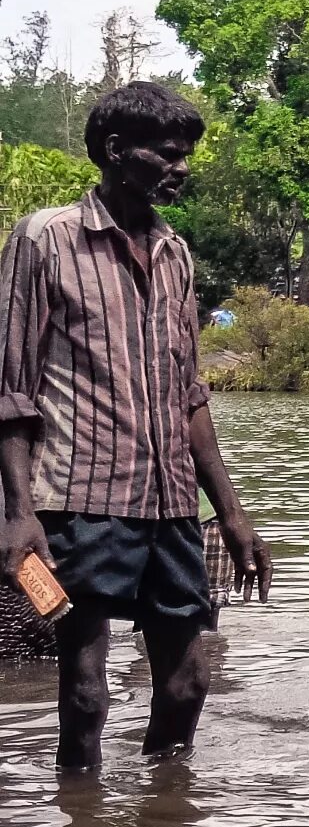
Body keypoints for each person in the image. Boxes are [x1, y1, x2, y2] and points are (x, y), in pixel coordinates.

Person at [0, 82, 273, 772]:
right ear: (118, 152)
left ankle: (164, 816)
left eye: (187, 156)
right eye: (169, 154)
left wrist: (233, 513)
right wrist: (18, 513)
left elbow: (190, 398)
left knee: (189, 680)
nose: (181, 168)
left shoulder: (176, 254)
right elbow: (11, 392)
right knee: (86, 694)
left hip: (173, 506)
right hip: (80, 501)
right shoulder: (46, 240)